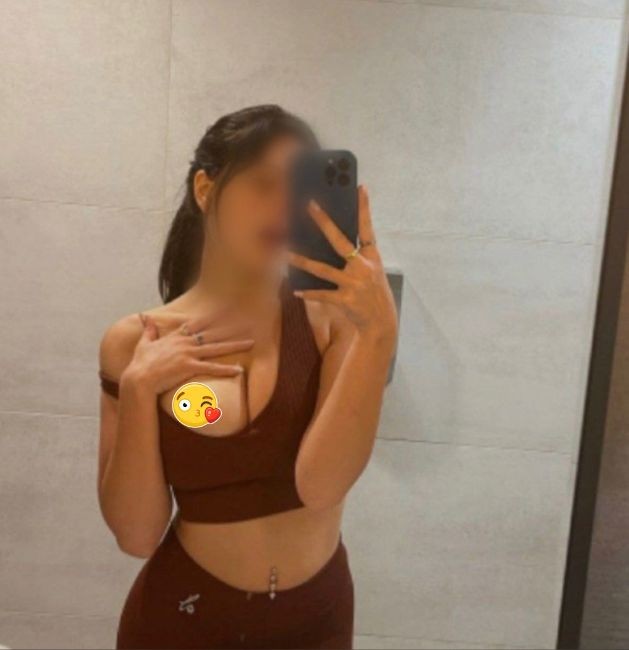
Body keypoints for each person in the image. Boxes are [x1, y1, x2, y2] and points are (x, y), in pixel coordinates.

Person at [98, 105, 397, 649]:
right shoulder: (137, 342)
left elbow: (321, 485)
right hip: (182, 623)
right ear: (205, 189)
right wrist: (139, 391)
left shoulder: (328, 321)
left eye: (295, 190)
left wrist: (377, 334)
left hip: (316, 626)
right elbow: (136, 536)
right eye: (262, 184)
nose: (282, 207)